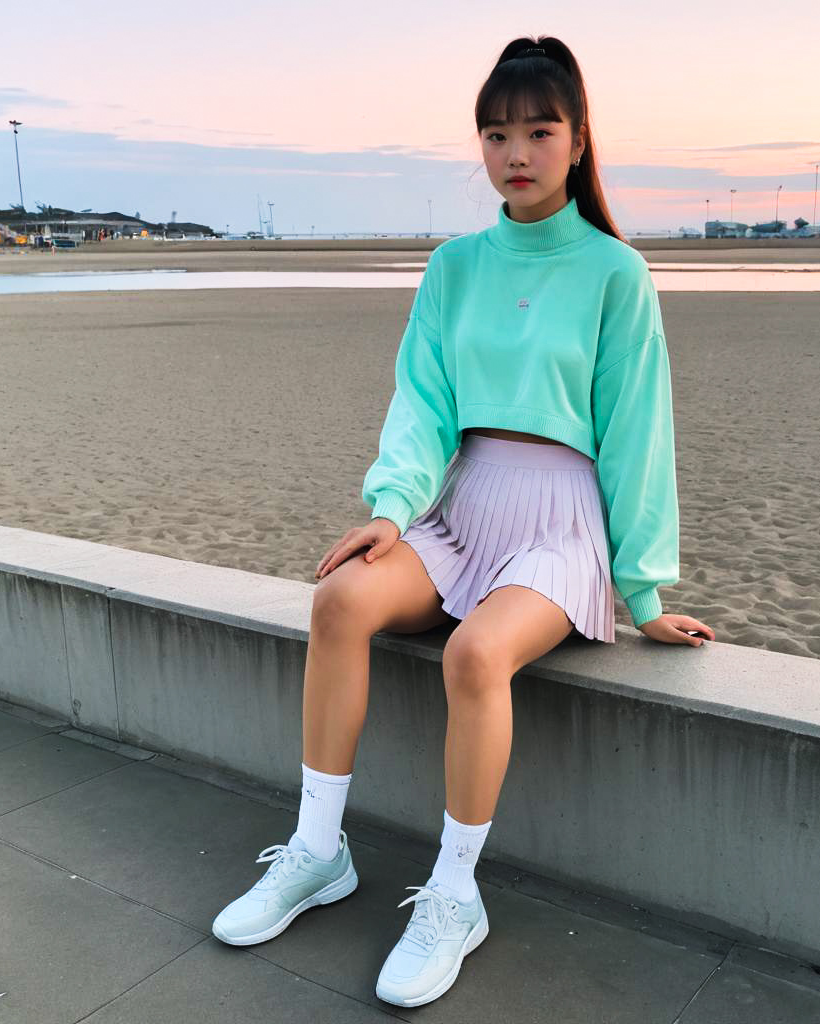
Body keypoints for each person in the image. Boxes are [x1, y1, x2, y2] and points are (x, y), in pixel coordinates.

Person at [210, 36, 715, 1008]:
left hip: (561, 524)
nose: (515, 150)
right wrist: (393, 511)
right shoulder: (455, 266)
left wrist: (643, 590)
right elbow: (422, 402)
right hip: (463, 502)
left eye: (538, 129)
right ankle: (319, 851)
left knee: (475, 656)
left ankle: (452, 895)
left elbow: (636, 435)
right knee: (341, 599)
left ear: (576, 141)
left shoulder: (615, 274)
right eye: (496, 132)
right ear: (480, 146)